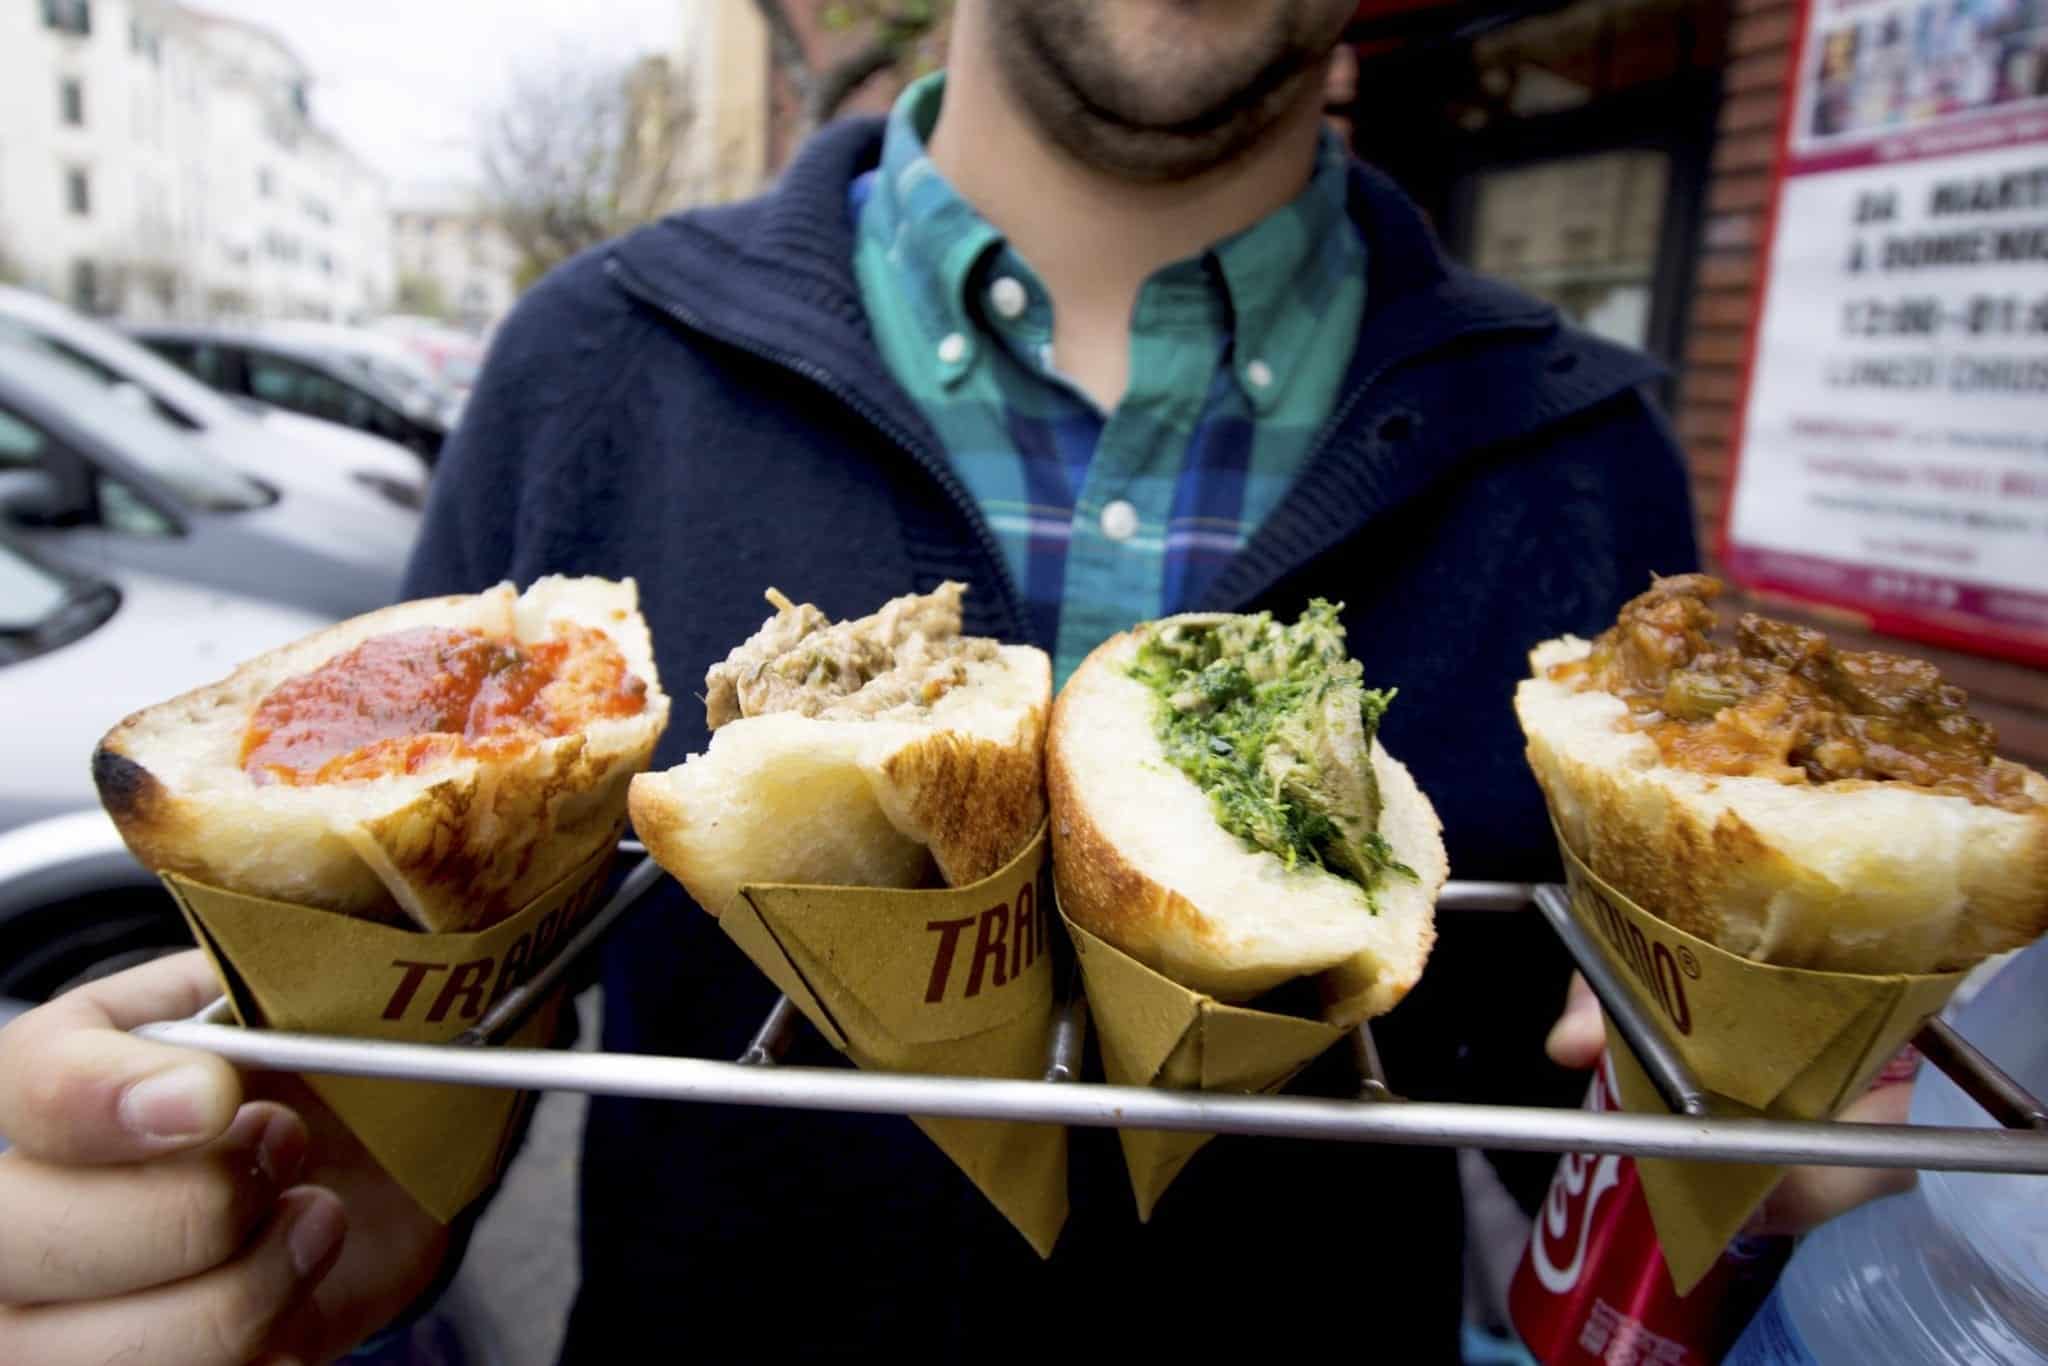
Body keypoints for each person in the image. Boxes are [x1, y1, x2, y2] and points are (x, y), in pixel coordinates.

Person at [0, 2, 1916, 1361]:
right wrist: (269, 1224)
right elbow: (448, 1035)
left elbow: (1586, 1145)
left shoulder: (1577, 445)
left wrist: (1768, 1163)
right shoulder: (592, 365)